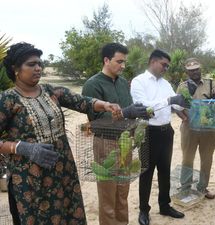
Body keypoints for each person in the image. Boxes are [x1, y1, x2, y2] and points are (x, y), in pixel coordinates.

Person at [0, 42, 122, 224]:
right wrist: (22, 147)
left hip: (64, 173)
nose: (38, 68)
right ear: (15, 69)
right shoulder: (7, 99)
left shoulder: (51, 91)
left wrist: (105, 104)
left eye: (39, 64)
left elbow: (83, 101)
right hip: (30, 180)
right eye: (31, 64)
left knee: (69, 214)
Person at [82, 43, 148, 225]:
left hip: (125, 142)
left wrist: (138, 117)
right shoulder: (92, 85)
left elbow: (129, 110)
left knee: (122, 192)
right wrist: (126, 112)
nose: (123, 66)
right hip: (105, 144)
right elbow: (96, 121)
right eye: (119, 61)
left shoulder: (122, 82)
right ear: (106, 60)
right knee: (108, 195)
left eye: (124, 62)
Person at [130, 49, 187, 225]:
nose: (166, 68)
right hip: (148, 132)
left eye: (167, 66)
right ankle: (143, 211)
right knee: (146, 172)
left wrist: (185, 103)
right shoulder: (138, 82)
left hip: (166, 132)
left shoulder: (166, 83)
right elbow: (144, 106)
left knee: (164, 171)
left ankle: (164, 205)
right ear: (153, 61)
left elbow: (175, 104)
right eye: (164, 65)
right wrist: (169, 101)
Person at [176, 58, 215, 199]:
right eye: (191, 70)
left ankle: (203, 188)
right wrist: (185, 118)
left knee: (207, 158)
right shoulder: (182, 87)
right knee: (187, 158)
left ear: (200, 69)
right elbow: (177, 107)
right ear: (187, 72)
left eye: (196, 69)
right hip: (189, 128)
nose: (194, 72)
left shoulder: (210, 83)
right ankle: (185, 188)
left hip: (208, 128)